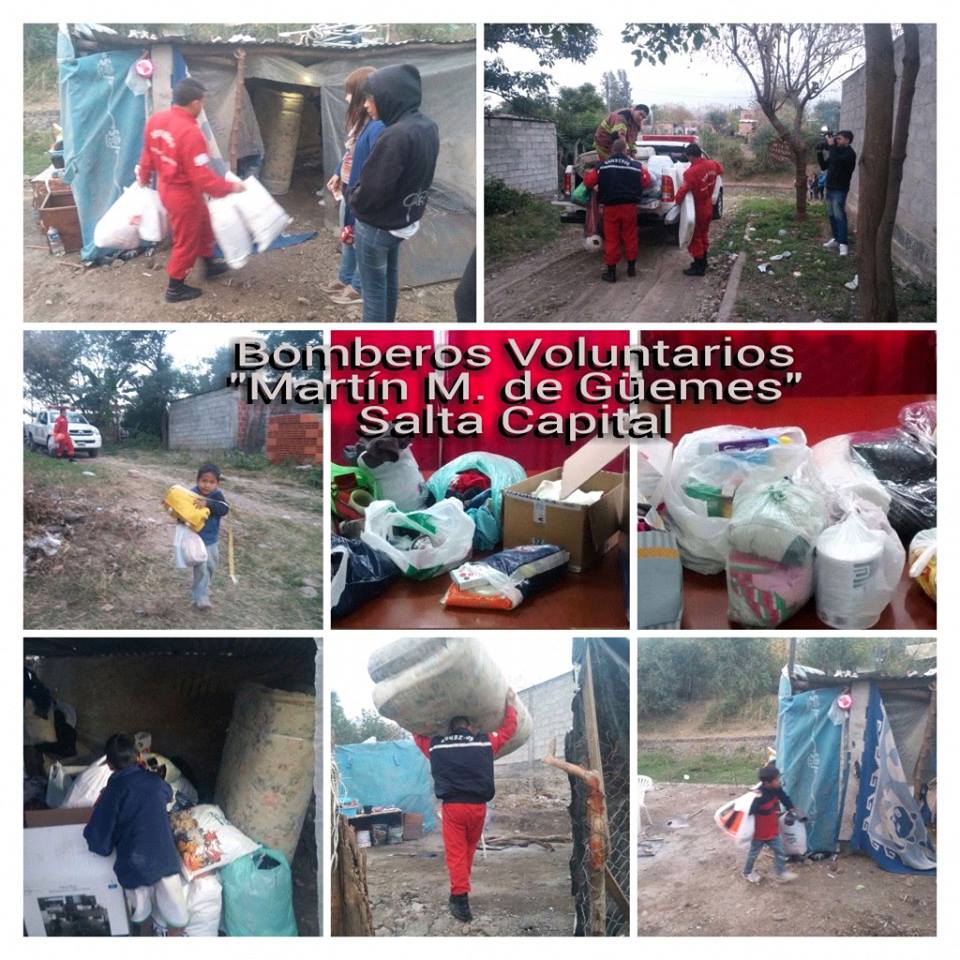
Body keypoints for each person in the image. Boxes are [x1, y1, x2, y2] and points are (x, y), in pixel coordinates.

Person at [413, 691, 519, 922]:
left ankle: (460, 900)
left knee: (456, 854)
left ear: (450, 729)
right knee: (468, 851)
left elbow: (418, 738)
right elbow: (509, 730)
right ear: (469, 727)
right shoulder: (484, 741)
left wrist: (415, 720)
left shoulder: (436, 746)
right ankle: (461, 889)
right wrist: (510, 705)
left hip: (453, 809)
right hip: (478, 809)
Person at [137, 78, 245, 303]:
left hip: (167, 187)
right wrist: (232, 187)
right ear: (195, 103)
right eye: (203, 103)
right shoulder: (191, 133)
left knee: (204, 223)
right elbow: (204, 179)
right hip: (183, 194)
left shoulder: (156, 120)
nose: (202, 107)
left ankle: (210, 264)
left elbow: (146, 156)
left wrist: (143, 178)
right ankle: (175, 288)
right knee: (187, 240)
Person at [348, 65, 439, 323]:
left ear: (389, 97)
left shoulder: (395, 135)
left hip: (377, 225)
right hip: (403, 219)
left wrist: (354, 198)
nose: (365, 105)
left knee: (373, 292)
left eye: (369, 98)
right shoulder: (426, 127)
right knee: (388, 280)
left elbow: (374, 189)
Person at [83, 733, 187, 936]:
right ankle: (175, 934)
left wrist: (97, 843)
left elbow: (100, 834)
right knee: (176, 909)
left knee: (140, 906)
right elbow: (168, 794)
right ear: (137, 757)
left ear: (110, 765)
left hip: (134, 863)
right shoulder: (155, 782)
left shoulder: (112, 792)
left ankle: (144, 931)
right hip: (164, 858)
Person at [322, 66, 383, 308]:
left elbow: (373, 164)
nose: (347, 98)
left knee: (360, 240)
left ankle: (358, 286)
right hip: (348, 189)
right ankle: (345, 278)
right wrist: (338, 173)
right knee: (347, 234)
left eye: (350, 93)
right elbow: (351, 154)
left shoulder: (378, 125)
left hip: (361, 193)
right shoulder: (362, 122)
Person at [582, 139, 651, 282]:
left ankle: (611, 273)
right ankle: (631, 269)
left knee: (612, 239)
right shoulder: (636, 166)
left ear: (612, 151)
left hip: (610, 208)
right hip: (629, 208)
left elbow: (588, 181)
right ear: (625, 150)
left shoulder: (602, 166)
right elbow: (647, 181)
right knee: (630, 237)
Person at [742, 764, 802, 884]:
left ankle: (781, 873)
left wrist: (791, 808)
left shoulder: (776, 789)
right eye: (776, 780)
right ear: (767, 783)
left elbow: (784, 798)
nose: (779, 781)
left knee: (780, 851)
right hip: (759, 833)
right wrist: (750, 797)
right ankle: (747, 872)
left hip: (772, 830)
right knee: (753, 853)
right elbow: (747, 812)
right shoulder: (758, 796)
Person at [674, 143, 724, 277]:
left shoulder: (691, 172)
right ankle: (704, 261)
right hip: (708, 205)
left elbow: (683, 190)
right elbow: (721, 169)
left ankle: (699, 267)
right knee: (703, 234)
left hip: (697, 208)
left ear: (690, 156)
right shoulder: (712, 164)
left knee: (695, 237)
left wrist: (676, 201)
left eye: (688, 157)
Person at [189, 462, 229, 610]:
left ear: (217, 484)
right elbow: (183, 512)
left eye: (211, 482)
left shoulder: (217, 496)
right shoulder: (191, 494)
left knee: (211, 566)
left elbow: (224, 509)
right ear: (197, 480)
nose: (207, 485)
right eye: (204, 481)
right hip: (196, 539)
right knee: (201, 568)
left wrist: (208, 503)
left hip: (212, 540)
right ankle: (201, 596)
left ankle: (202, 588)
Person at [816, 130, 857, 256]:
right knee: (831, 214)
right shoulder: (836, 151)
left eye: (839, 138)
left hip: (840, 188)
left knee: (839, 215)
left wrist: (831, 146)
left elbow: (837, 161)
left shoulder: (850, 154)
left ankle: (843, 243)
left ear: (847, 140)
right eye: (836, 138)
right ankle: (836, 239)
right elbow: (824, 166)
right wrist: (819, 152)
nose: (836, 140)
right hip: (830, 187)